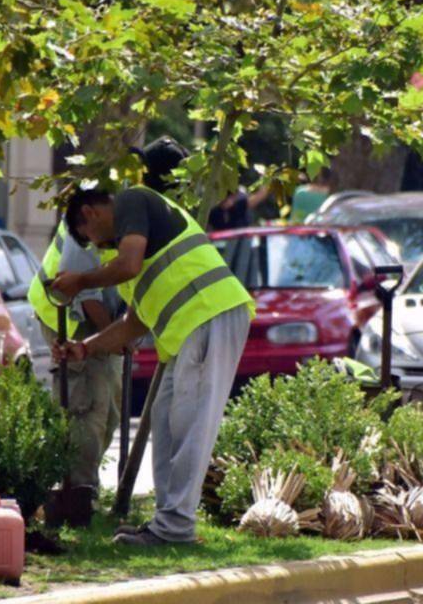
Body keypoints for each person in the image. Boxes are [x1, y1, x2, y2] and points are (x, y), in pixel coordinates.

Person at [51, 148, 254, 547]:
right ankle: (167, 522)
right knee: (166, 421)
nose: (96, 246)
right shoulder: (129, 250)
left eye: (88, 237)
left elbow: (126, 266)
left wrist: (81, 281)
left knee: (189, 425)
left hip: (210, 313)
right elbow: (133, 324)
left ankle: (175, 528)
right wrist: (86, 348)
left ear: (89, 213)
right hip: (194, 327)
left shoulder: (132, 201)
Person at [27, 219, 123, 526]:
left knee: (109, 411)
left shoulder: (119, 202)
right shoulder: (90, 216)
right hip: (74, 319)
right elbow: (83, 293)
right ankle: (75, 493)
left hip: (98, 320)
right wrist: (114, 335)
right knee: (86, 407)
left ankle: (82, 485)